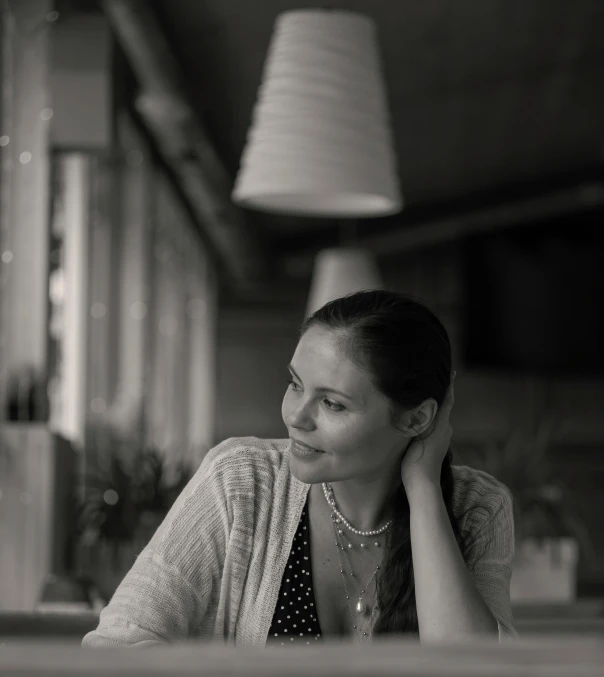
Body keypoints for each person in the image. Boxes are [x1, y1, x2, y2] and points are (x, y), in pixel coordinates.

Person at [82, 290, 517, 648]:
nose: (295, 416)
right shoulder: (240, 481)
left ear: (417, 420)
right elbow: (113, 646)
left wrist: (422, 486)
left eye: (332, 403)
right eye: (295, 384)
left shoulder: (477, 509)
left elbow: (470, 669)